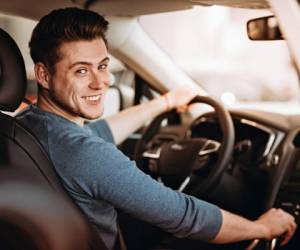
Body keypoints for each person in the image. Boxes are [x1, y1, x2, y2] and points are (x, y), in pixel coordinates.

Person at [16, 7, 296, 250]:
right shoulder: (86, 155)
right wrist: (262, 228)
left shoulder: (29, 125)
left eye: (102, 66)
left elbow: (98, 132)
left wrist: (164, 103)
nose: (100, 82)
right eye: (81, 71)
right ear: (43, 75)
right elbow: (185, 216)